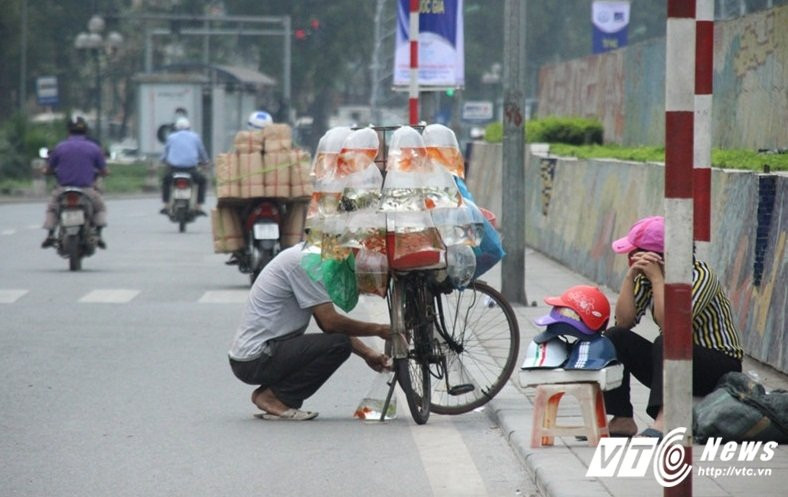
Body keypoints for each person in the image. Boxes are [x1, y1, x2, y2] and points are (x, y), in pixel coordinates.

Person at [603, 215, 744, 438]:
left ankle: (664, 419)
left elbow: (673, 326)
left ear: (658, 256)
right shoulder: (644, 277)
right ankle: (622, 418)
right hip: (674, 359)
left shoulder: (699, 276)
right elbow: (624, 322)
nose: (632, 258)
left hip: (718, 366)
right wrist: (630, 278)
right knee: (614, 337)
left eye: (635, 253)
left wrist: (658, 280)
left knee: (668, 340)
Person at [228, 242, 391, 420]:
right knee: (338, 345)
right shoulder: (305, 263)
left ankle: (272, 393)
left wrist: (367, 353)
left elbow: (328, 325)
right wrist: (379, 329)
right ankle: (274, 398)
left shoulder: (308, 255)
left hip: (260, 354)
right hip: (256, 358)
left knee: (337, 341)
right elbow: (330, 323)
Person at [41, 116, 108, 249]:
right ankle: (99, 235)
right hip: (86, 190)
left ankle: (50, 234)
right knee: (100, 207)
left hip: (63, 190)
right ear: (85, 131)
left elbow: (49, 169)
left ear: (68, 131)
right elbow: (104, 171)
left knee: (52, 208)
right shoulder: (94, 148)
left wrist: (46, 171)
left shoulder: (60, 147)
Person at [225, 110, 275, 266]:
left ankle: (238, 249)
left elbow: (228, 166)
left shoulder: (240, 146)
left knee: (235, 214)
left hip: (250, 196)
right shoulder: (281, 146)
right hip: (276, 195)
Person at [160, 117, 209, 216]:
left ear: (176, 128)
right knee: (202, 181)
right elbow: (202, 152)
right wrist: (205, 162)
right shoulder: (195, 137)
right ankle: (198, 206)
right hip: (190, 170)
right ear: (189, 127)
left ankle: (166, 205)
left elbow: (165, 154)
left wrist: (163, 161)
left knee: (165, 180)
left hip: (174, 170)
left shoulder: (171, 137)